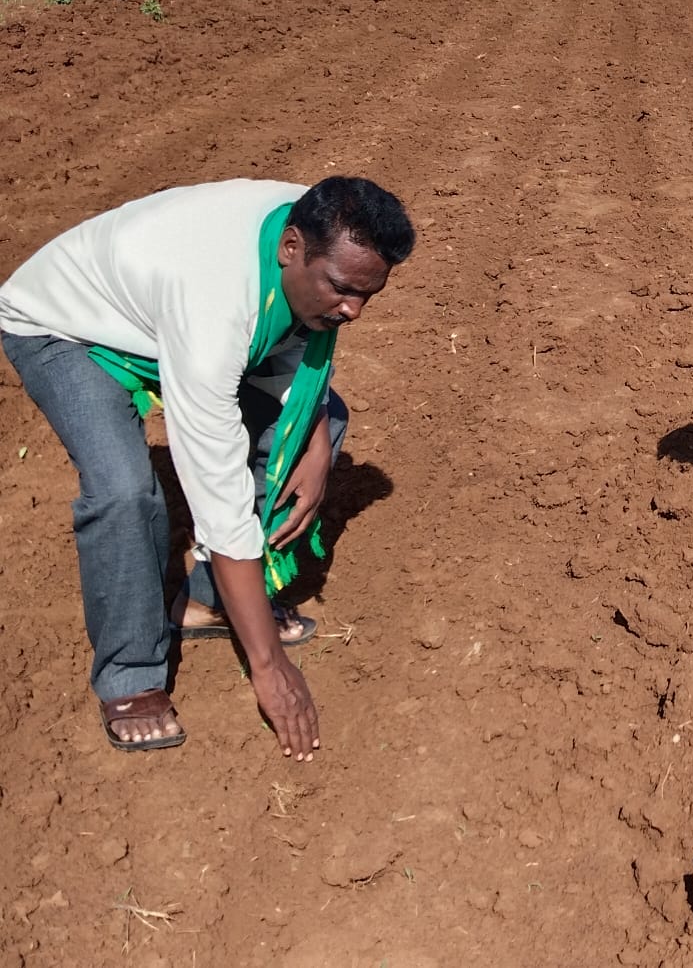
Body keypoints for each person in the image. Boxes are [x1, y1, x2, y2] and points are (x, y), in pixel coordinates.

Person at [0, 176, 415, 757]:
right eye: (343, 290)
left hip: (154, 320)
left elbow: (299, 355)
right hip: (65, 326)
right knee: (123, 489)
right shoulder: (215, 306)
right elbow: (217, 498)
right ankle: (131, 676)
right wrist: (268, 666)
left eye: (368, 294)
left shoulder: (328, 223)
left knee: (320, 420)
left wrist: (316, 438)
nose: (354, 310)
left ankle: (207, 599)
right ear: (289, 249)